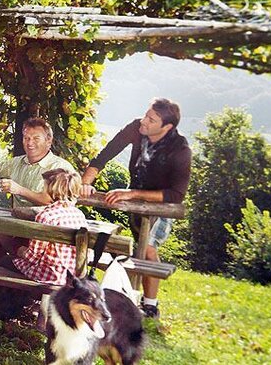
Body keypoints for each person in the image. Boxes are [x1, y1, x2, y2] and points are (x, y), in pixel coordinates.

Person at [80, 98, 191, 320]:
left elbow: (176, 195)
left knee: (148, 249)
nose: (144, 120)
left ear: (166, 127)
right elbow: (106, 154)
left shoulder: (180, 149)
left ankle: (150, 307)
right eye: (145, 114)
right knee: (138, 249)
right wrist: (86, 182)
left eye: (152, 119)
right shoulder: (136, 128)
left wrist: (132, 193)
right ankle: (131, 298)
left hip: (160, 206)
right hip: (134, 203)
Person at [0, 169, 88, 320]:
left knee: (7, 262)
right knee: (16, 265)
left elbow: (33, 258)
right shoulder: (79, 215)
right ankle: (12, 305)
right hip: (69, 274)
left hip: (49, 274)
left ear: (51, 189)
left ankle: (0, 310)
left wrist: (18, 250)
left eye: (44, 187)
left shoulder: (46, 216)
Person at [0, 118, 77, 266]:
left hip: (46, 234)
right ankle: (9, 277)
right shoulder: (17, 162)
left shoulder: (60, 168)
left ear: (49, 141)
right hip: (17, 227)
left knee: (20, 248)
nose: (29, 142)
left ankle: (15, 280)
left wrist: (20, 190)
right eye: (26, 137)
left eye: (36, 138)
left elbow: (62, 206)